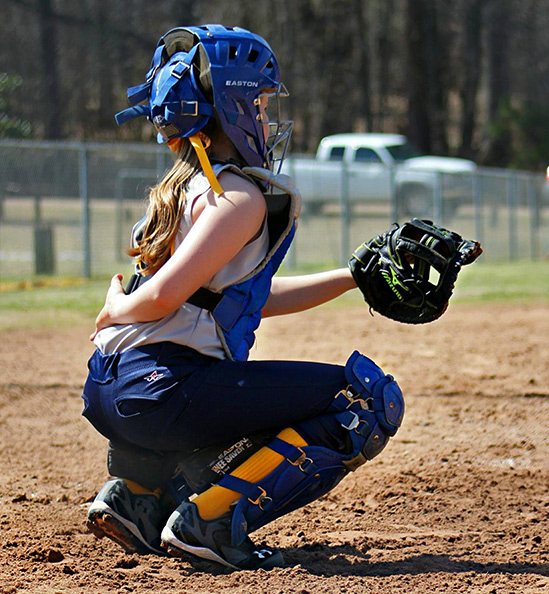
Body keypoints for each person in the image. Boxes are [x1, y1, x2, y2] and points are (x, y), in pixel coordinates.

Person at [81, 24, 404, 571]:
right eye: (255, 102)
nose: (263, 115)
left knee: (221, 382)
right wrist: (117, 306)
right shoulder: (240, 195)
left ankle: (139, 496)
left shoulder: (183, 187)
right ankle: (209, 519)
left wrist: (351, 276)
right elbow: (161, 297)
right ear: (228, 108)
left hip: (114, 388)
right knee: (364, 400)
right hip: (162, 391)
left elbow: (238, 299)